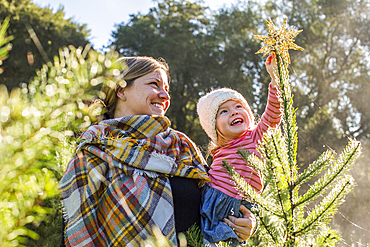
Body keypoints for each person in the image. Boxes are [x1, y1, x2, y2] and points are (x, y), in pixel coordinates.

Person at [59, 56, 257, 247]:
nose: (165, 95)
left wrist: (245, 224)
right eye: (154, 84)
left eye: (167, 89)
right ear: (120, 90)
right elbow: (75, 230)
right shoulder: (94, 151)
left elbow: (218, 201)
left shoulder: (182, 147)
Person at [196, 54, 281, 246]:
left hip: (235, 208)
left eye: (238, 106)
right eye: (223, 111)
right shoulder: (218, 151)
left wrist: (275, 79)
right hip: (210, 201)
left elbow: (273, 115)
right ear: (214, 128)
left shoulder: (254, 138)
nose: (234, 112)